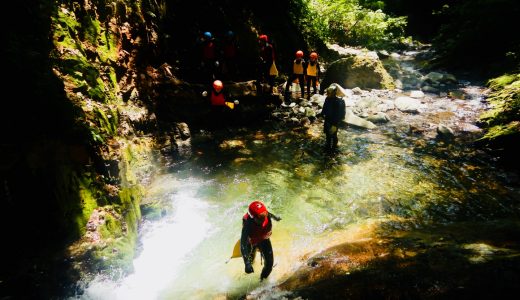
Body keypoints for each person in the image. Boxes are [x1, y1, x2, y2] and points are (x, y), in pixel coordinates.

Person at [241, 200, 281, 280]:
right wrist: (247, 263)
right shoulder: (248, 224)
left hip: (264, 240)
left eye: (264, 217)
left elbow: (270, 215)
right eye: (260, 219)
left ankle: (262, 281)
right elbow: (243, 244)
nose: (263, 220)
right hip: (251, 243)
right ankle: (246, 276)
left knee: (269, 265)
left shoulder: (265, 214)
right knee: (251, 263)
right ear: (253, 218)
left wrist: (276, 218)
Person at [320, 85, 346, 151]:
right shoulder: (327, 99)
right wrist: (322, 114)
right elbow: (324, 108)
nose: (327, 94)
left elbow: (340, 114)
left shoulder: (338, 102)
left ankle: (334, 148)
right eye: (327, 93)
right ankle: (328, 147)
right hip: (327, 120)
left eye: (329, 93)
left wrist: (336, 124)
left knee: (334, 135)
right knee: (327, 135)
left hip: (334, 122)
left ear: (334, 93)